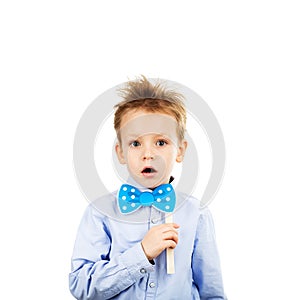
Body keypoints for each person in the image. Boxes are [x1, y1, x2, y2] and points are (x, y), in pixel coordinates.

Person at [69, 76, 226, 299]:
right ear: (121, 152)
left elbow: (212, 291)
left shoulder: (197, 213)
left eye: (161, 142)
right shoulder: (100, 212)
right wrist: (141, 254)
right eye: (135, 143)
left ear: (180, 150)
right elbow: (80, 285)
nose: (148, 154)